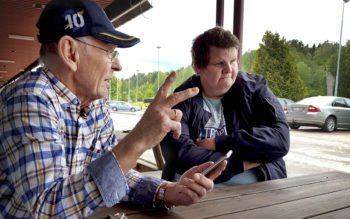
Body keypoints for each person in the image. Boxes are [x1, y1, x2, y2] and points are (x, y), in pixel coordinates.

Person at [0, 1, 227, 218]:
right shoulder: (30, 99)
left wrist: (168, 192)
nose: (118, 65)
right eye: (110, 52)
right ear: (70, 52)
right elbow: (48, 209)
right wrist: (137, 141)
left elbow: (111, 175)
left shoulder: (95, 104)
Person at [161, 27, 289, 186]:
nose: (229, 70)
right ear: (198, 67)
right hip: (199, 196)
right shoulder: (183, 99)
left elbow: (280, 140)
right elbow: (182, 156)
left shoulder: (254, 89)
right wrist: (242, 163)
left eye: (234, 61)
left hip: (263, 190)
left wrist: (218, 143)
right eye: (220, 63)